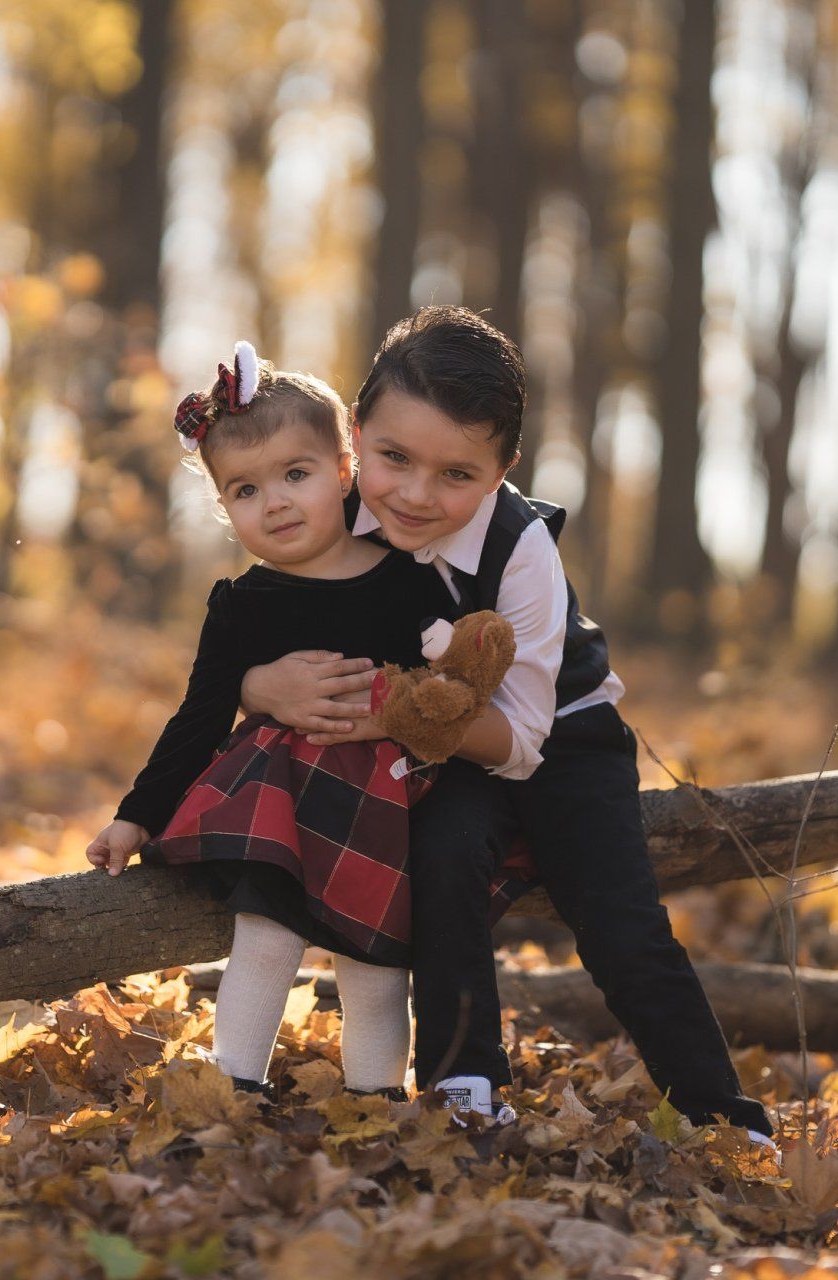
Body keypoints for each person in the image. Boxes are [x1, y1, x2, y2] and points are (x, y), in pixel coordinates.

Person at [241, 307, 777, 1146]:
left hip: (560, 736)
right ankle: (465, 1084)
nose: (417, 494)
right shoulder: (328, 512)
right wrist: (261, 683)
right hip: (435, 745)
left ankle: (721, 1115)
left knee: (620, 923)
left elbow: (520, 741)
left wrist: (391, 709)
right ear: (355, 433)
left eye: (457, 473)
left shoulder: (522, 551)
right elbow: (258, 626)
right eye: (393, 458)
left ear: (503, 469)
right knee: (444, 856)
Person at [85, 341, 518, 1101]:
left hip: (382, 805)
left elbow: (448, 687)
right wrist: (135, 817)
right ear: (224, 507)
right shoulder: (241, 605)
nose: (276, 501)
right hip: (279, 804)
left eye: (296, 474)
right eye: (246, 490)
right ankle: (234, 1090)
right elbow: (199, 716)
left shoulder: (406, 583)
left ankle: (375, 1102)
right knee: (264, 941)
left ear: (344, 470)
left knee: (376, 968)